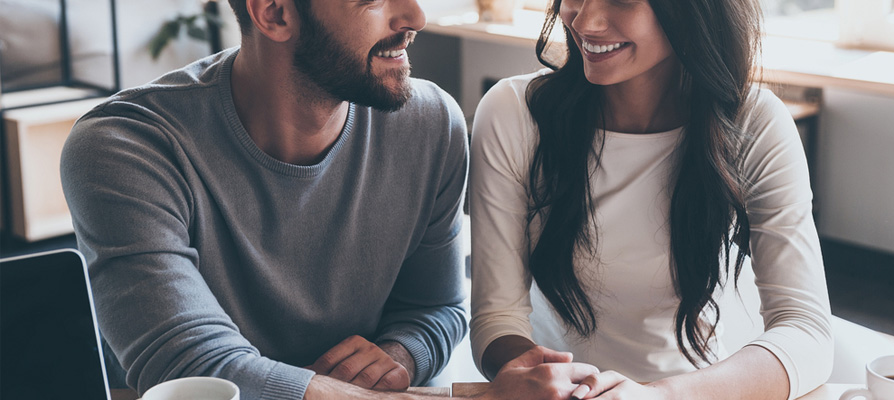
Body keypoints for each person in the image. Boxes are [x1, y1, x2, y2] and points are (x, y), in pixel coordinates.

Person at [61, 0, 607, 399]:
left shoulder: (429, 122)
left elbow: (436, 307)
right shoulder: (125, 147)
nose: (415, 16)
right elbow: (193, 367)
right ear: (274, 13)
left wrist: (400, 356)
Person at [469, 0, 834, 399]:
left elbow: (805, 331)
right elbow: (496, 319)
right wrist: (566, 388)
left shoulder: (754, 123)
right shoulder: (513, 113)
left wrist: (660, 395)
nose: (585, 21)